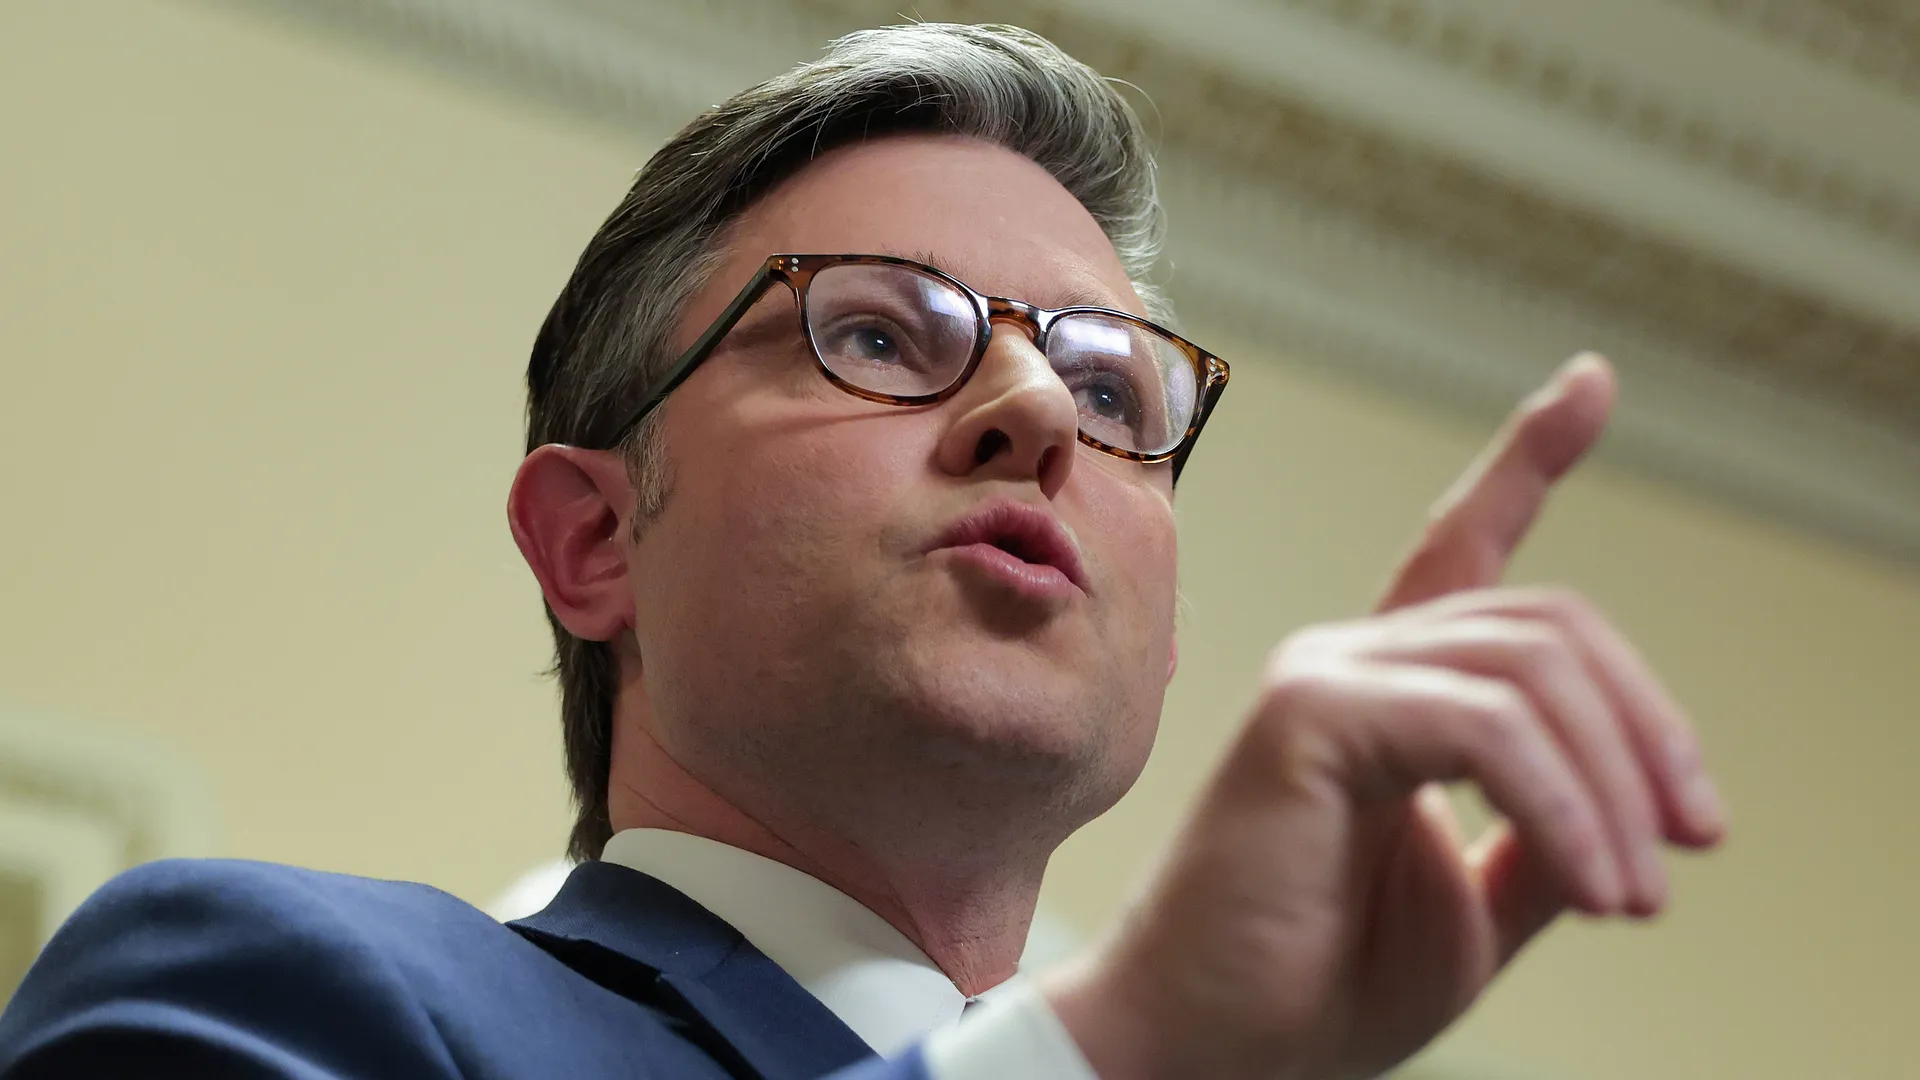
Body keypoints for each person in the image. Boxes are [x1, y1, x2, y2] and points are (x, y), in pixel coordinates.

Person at [0, 22, 1724, 1080]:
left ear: (1170, 633)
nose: (1040, 413)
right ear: (594, 539)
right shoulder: (287, 992)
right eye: (886, 335)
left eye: (1115, 385)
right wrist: (1115, 1052)